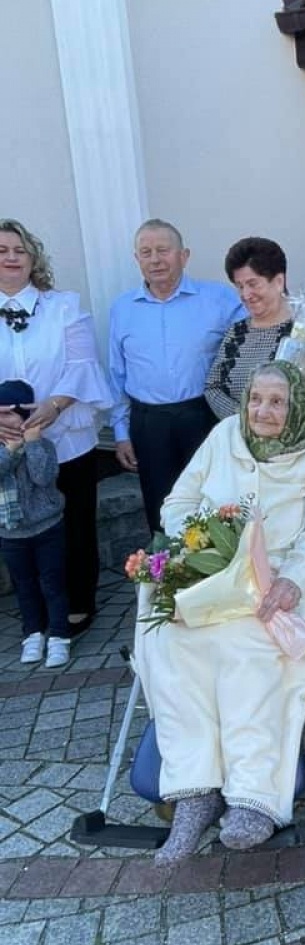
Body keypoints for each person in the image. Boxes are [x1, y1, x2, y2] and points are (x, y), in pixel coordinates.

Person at [138, 361, 305, 863]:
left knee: (250, 653)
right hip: (213, 572)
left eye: (277, 401)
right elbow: (178, 501)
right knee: (168, 644)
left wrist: (293, 579)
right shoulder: (224, 434)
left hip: (281, 581)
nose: (263, 410)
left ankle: (253, 798)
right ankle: (194, 794)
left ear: (296, 404)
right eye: (256, 398)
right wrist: (203, 536)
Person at [0, 220, 112, 637]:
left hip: (65, 435)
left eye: (19, 250)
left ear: (33, 259)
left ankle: (80, 602)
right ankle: (36, 612)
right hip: (9, 443)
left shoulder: (64, 305)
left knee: (75, 523)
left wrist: (54, 405)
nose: (11, 257)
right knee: (21, 526)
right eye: (2, 250)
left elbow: (83, 363)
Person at [108, 219, 245, 534]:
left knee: (214, 502)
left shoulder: (221, 299)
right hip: (148, 422)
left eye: (163, 250)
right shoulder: (122, 308)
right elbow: (116, 374)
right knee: (161, 507)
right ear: (137, 259)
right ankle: (169, 577)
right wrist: (120, 432)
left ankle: (216, 576)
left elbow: (253, 344)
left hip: (204, 415)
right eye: (146, 252)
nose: (155, 259)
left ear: (184, 255)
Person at [205, 236, 305, 422]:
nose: (246, 295)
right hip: (248, 441)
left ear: (279, 281)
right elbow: (213, 386)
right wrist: (245, 419)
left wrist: (284, 414)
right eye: (239, 286)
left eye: (253, 284)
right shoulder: (236, 333)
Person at [0, 381, 70, 668]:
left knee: (53, 584)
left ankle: (59, 637)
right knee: (25, 585)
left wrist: (30, 443)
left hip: (47, 528)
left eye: (6, 415)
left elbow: (43, 477)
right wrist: (11, 451)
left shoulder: (43, 444)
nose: (1, 421)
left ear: (23, 415)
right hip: (11, 532)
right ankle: (33, 634)